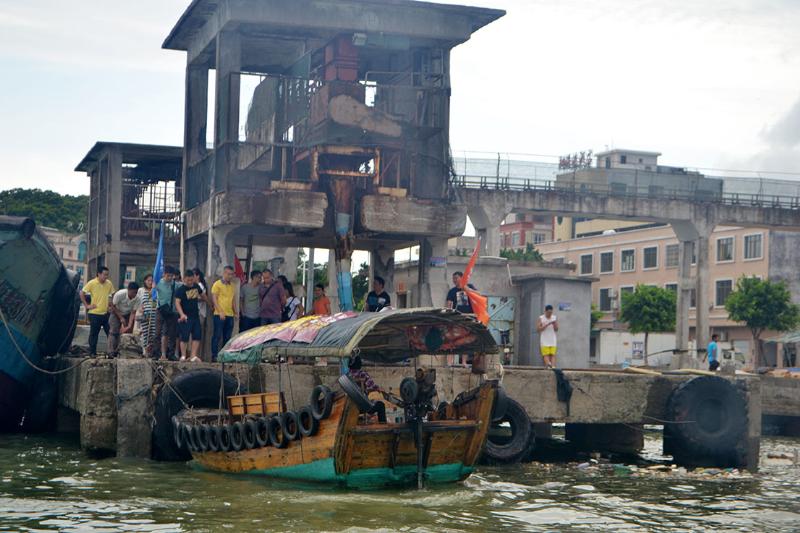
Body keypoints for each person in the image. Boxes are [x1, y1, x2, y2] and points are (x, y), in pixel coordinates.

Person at [80, 266, 115, 356]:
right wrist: (87, 305)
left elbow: (113, 294)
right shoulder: (92, 283)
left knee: (110, 333)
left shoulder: (109, 283)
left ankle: (111, 352)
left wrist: (111, 305)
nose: (106, 276)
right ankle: (92, 352)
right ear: (99, 274)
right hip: (94, 313)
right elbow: (82, 293)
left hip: (106, 313)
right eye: (104, 274)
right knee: (94, 334)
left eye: (107, 275)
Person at [175, 269, 204, 362]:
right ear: (184, 279)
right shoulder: (180, 290)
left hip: (195, 316)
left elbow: (203, 295)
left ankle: (193, 356)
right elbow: (177, 303)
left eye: (192, 280)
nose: (190, 282)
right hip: (185, 317)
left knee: (197, 335)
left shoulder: (196, 287)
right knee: (184, 336)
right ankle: (183, 355)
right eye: (188, 280)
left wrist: (210, 304)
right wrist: (182, 314)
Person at [211, 266, 237, 361]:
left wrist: (235, 312)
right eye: (229, 274)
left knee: (227, 337)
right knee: (217, 336)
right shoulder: (217, 284)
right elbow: (214, 299)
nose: (230, 276)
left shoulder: (232, 286)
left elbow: (233, 300)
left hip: (230, 315)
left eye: (232, 274)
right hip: (219, 314)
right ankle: (214, 356)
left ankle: (224, 356)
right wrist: (220, 311)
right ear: (224, 273)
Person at [108, 282, 140, 357]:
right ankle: (111, 352)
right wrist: (121, 318)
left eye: (135, 292)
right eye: (132, 292)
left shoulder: (138, 298)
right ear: (128, 290)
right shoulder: (120, 294)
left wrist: (129, 325)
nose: (134, 295)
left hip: (128, 313)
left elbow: (133, 312)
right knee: (113, 331)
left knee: (128, 332)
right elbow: (113, 305)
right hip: (116, 311)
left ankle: (124, 351)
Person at [155, 266, 180, 360]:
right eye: (168, 276)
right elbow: (152, 292)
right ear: (164, 274)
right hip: (160, 310)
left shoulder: (175, 284)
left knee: (172, 334)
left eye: (171, 276)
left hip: (172, 311)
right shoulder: (158, 283)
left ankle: (171, 354)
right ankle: (157, 353)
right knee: (157, 333)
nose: (170, 278)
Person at [136, 274, 158, 358]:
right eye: (148, 280)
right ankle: (144, 351)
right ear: (145, 281)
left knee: (153, 334)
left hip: (154, 315)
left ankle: (151, 352)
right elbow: (138, 302)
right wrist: (140, 309)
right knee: (144, 333)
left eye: (151, 280)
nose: (150, 282)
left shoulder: (156, 291)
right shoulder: (141, 290)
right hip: (145, 316)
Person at [537, 304, 559, 369]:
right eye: (548, 312)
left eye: (551, 312)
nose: (550, 314)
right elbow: (538, 329)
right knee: (545, 354)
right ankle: (548, 366)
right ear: (545, 311)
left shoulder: (554, 318)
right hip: (544, 339)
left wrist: (554, 324)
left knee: (553, 354)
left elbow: (556, 329)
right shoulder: (541, 318)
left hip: (552, 338)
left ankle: (553, 367)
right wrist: (547, 324)